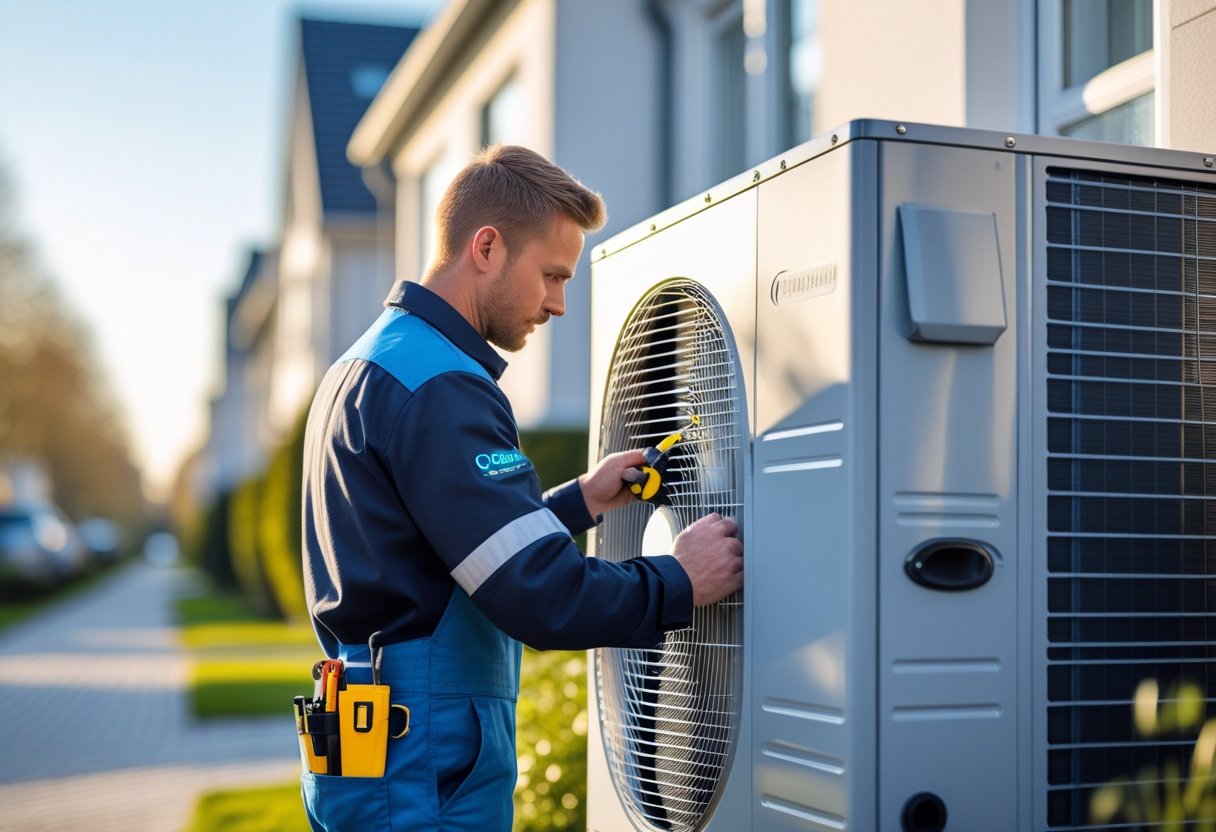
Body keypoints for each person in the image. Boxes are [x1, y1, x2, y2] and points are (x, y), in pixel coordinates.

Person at [300, 144, 743, 831]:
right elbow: (540, 596)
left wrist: (580, 502)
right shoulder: (443, 385)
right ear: (487, 247)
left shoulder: (370, 364)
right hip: (424, 767)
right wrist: (681, 579)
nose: (559, 304)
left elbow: (441, 550)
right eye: (552, 275)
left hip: (373, 753)